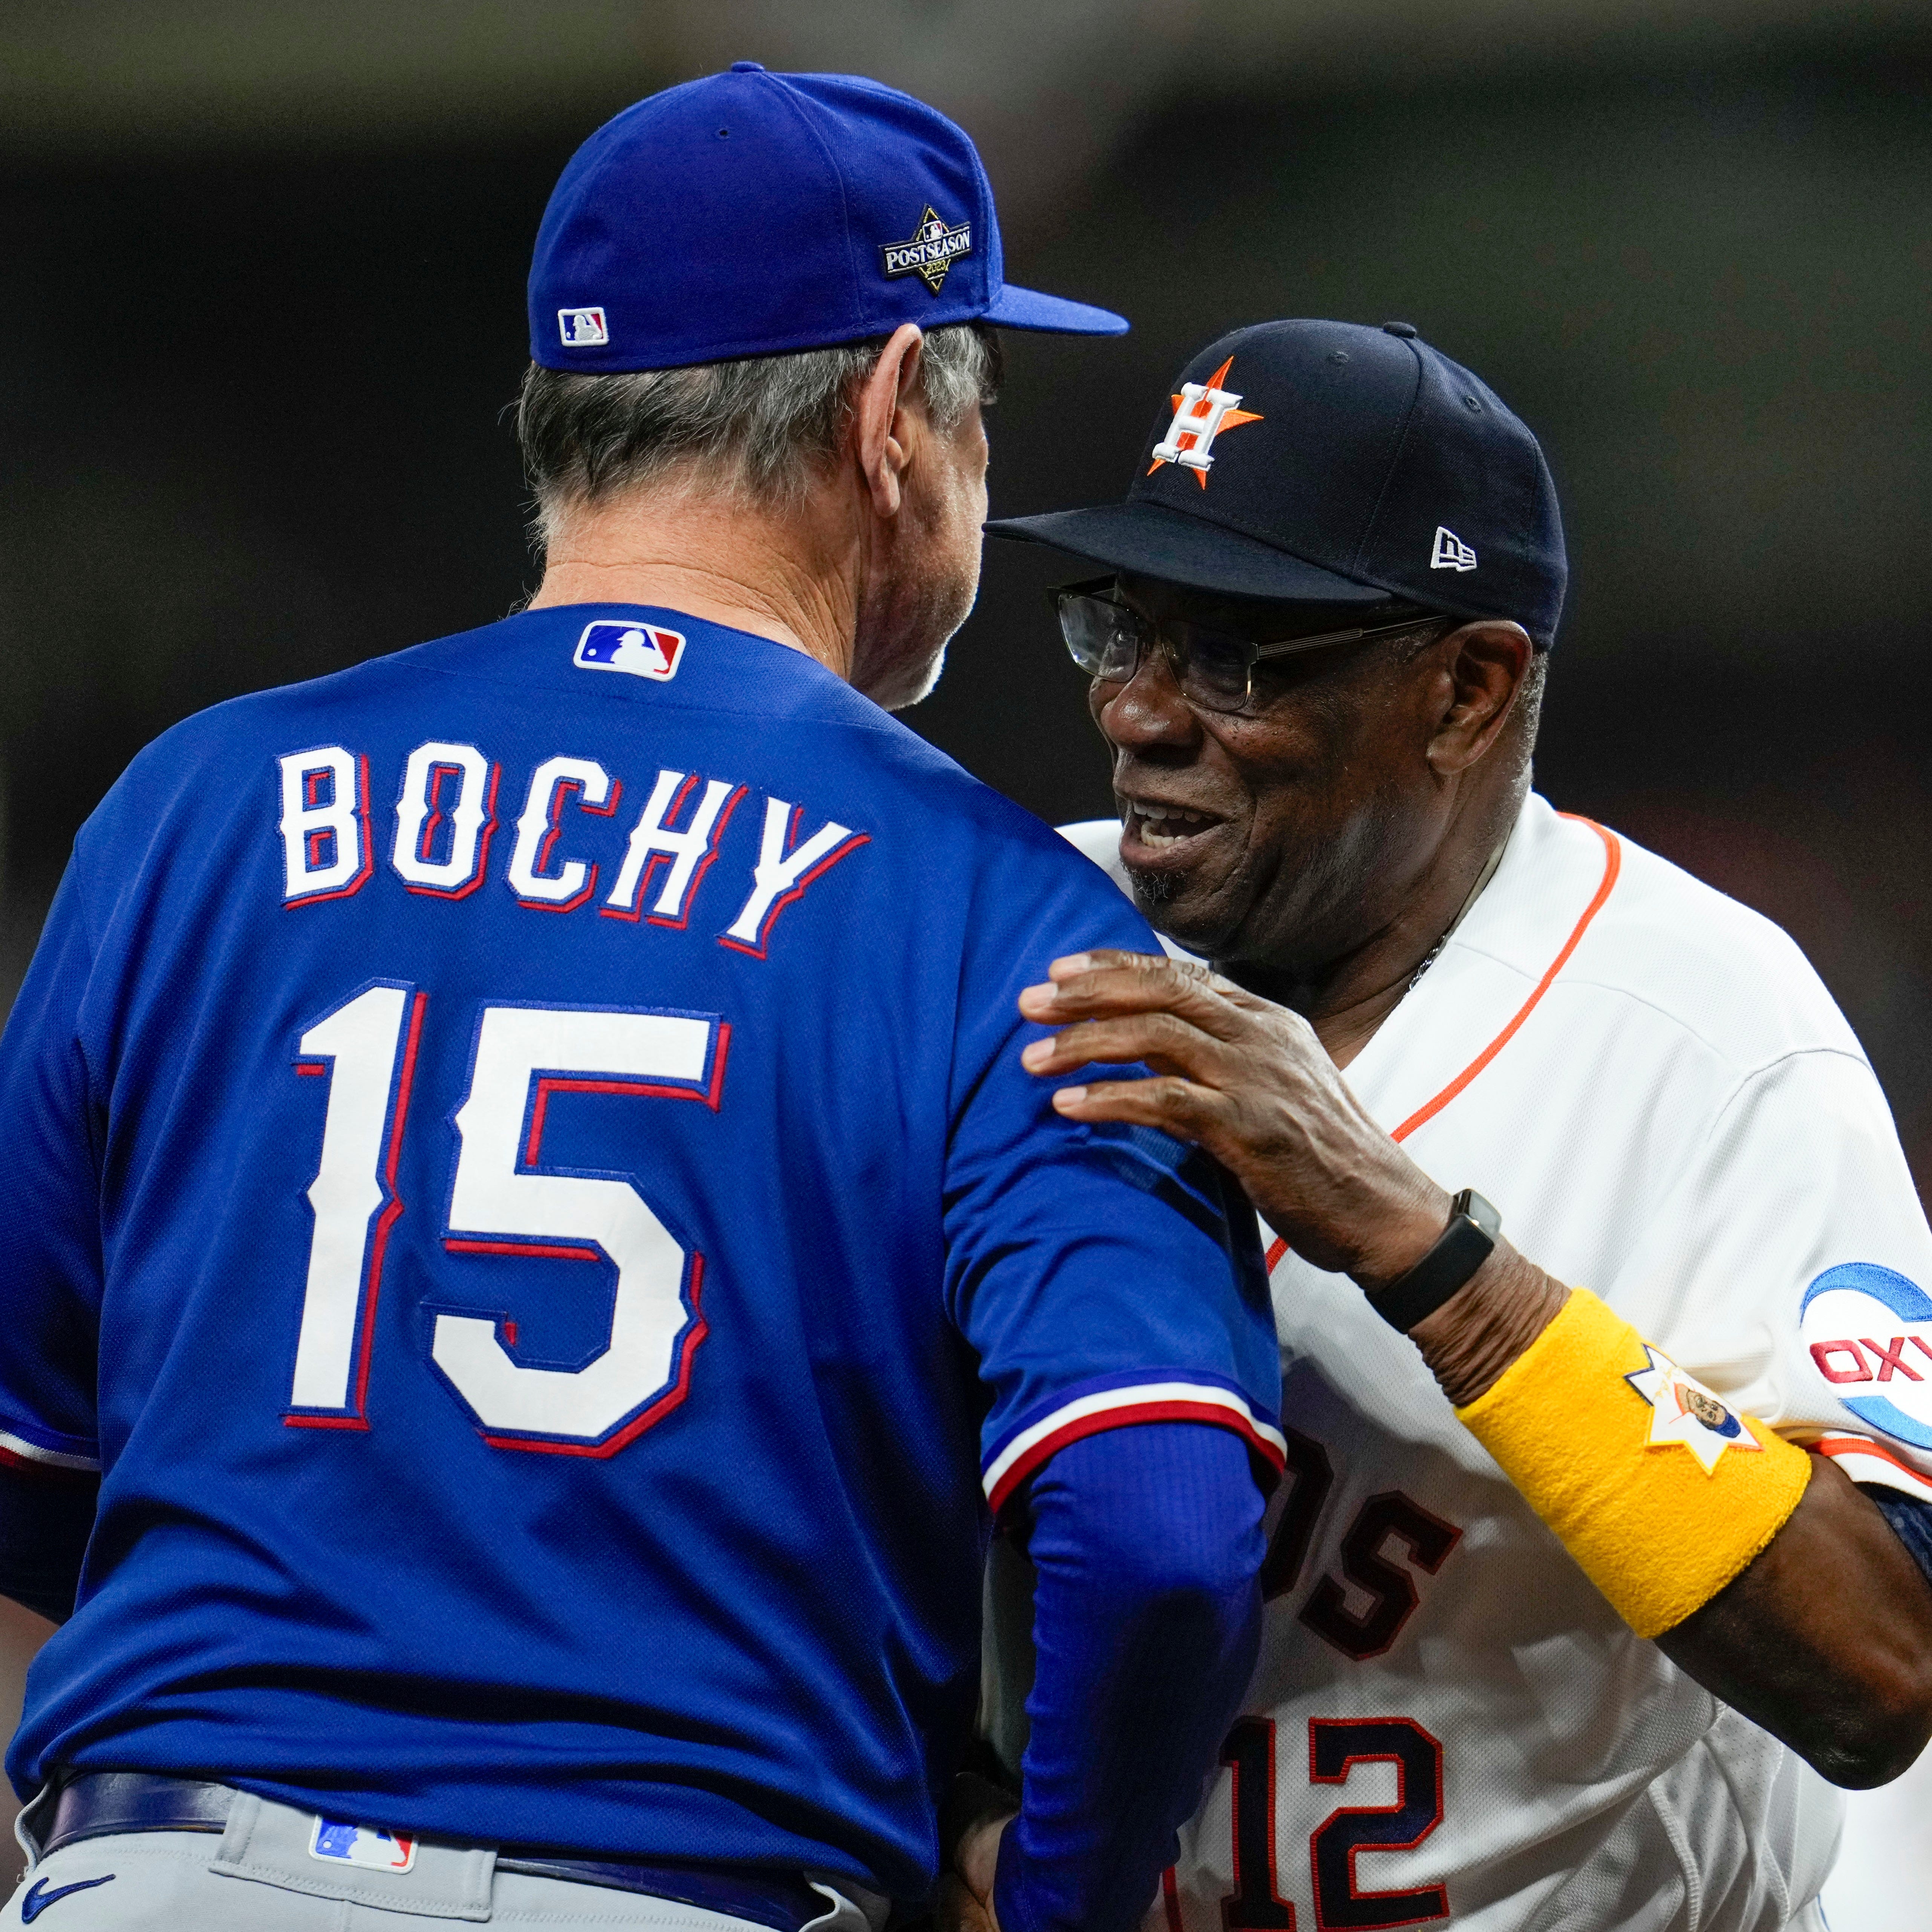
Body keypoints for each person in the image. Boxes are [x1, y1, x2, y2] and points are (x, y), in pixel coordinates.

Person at [0, 72, 1285, 1932]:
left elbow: (31, 1465)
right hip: (674, 1883)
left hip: (163, 1869)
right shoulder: (995, 907)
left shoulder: (195, 806)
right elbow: (1158, 1533)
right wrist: (1062, 1898)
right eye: (975, 402)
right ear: (887, 423)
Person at [953, 318, 1932, 1932]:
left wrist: (1432, 1255)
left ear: (1467, 689)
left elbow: (1881, 1663)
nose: (1136, 713)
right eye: (1122, 632)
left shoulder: (1702, 1028)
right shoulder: (1011, 941)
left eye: (1235, 657)